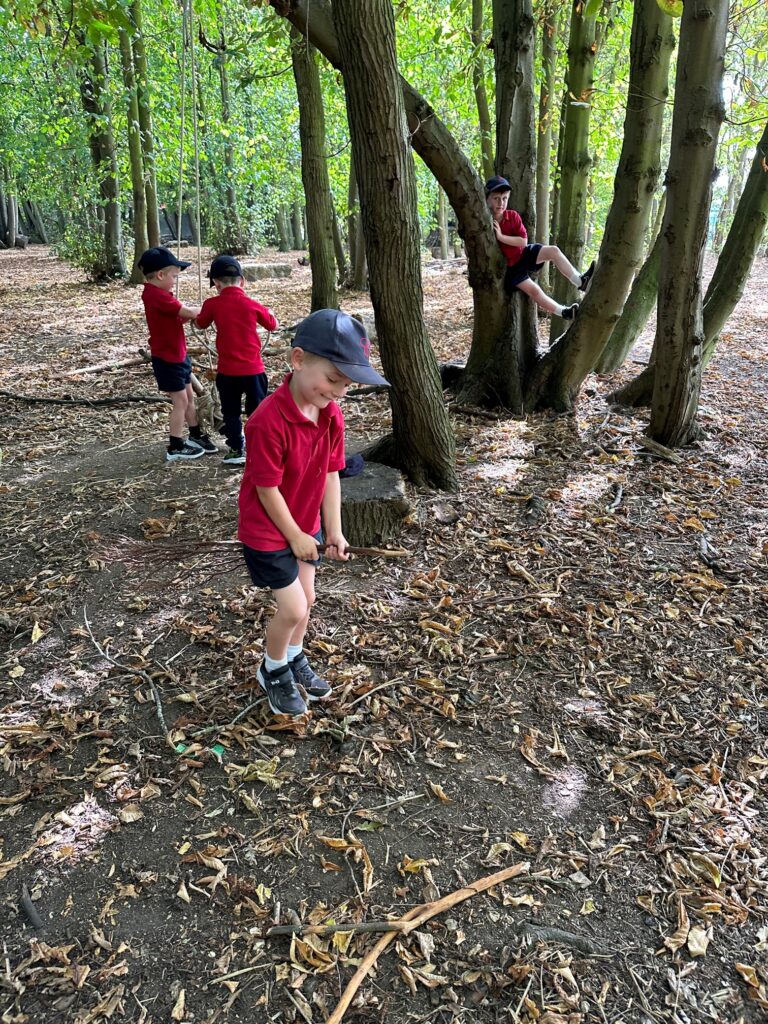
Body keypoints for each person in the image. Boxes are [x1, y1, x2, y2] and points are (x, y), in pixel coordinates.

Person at [238, 308, 389, 717]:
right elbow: (265, 488)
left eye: (347, 384)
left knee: (309, 598)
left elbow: (330, 474)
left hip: (306, 526)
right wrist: (295, 536)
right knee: (293, 608)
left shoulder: (330, 414)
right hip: (269, 531)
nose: (340, 392)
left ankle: (294, 656)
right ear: (298, 360)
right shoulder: (267, 421)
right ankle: (271, 669)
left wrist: (333, 530)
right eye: (334, 380)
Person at [194, 255, 278, 466]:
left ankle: (236, 449)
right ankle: (259, 448)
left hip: (228, 372)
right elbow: (272, 325)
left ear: (216, 283)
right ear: (242, 281)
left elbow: (201, 324)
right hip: (254, 371)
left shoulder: (212, 304)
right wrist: (272, 314)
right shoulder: (252, 304)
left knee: (230, 412)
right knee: (257, 411)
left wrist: (194, 315)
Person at [138, 246, 218, 462]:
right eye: (174, 276)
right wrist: (209, 310)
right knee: (181, 402)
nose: (176, 280)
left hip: (178, 354)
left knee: (189, 397)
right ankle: (175, 445)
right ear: (160, 275)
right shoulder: (155, 295)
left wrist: (184, 317)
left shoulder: (160, 294)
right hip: (167, 358)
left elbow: (175, 316)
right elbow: (187, 312)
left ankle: (195, 435)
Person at [485, 176, 595, 320]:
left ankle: (581, 282)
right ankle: (565, 312)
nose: (501, 203)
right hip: (511, 268)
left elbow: (523, 241)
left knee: (553, 251)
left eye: (505, 198)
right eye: (496, 198)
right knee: (535, 291)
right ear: (487, 199)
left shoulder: (512, 216)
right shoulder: (484, 222)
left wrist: (500, 237)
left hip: (523, 254)